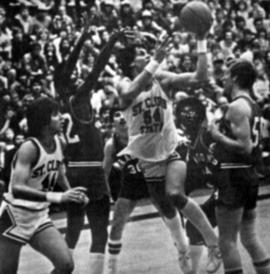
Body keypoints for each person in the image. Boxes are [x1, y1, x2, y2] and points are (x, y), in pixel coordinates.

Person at [117, 32, 221, 273]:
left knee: (174, 193)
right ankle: (182, 247)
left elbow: (200, 77)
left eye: (147, 53)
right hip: (146, 155)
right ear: (133, 63)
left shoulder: (161, 79)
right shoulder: (123, 82)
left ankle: (213, 245)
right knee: (165, 208)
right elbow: (127, 96)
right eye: (142, 54)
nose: (148, 55)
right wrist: (155, 61)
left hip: (172, 146)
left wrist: (202, 40)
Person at [57, 14, 135, 274]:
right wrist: (110, 41)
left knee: (73, 232)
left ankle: (60, 269)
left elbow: (69, 65)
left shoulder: (63, 100)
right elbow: (97, 68)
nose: (82, 80)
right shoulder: (79, 98)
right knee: (99, 233)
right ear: (70, 83)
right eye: (77, 79)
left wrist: (82, 36)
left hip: (74, 169)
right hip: (90, 170)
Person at [0, 97, 88, 274]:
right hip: (14, 216)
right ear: (43, 120)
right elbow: (17, 188)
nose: (62, 117)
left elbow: (58, 169)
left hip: (39, 215)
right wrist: (58, 197)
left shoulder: (59, 142)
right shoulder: (29, 147)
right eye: (55, 114)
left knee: (66, 265)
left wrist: (70, 192)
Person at [209, 59, 270, 274]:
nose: (223, 78)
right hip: (248, 174)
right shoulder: (251, 103)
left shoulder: (237, 107)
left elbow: (244, 146)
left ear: (235, 78)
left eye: (226, 74)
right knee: (250, 237)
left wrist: (217, 136)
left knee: (227, 241)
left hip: (233, 175)